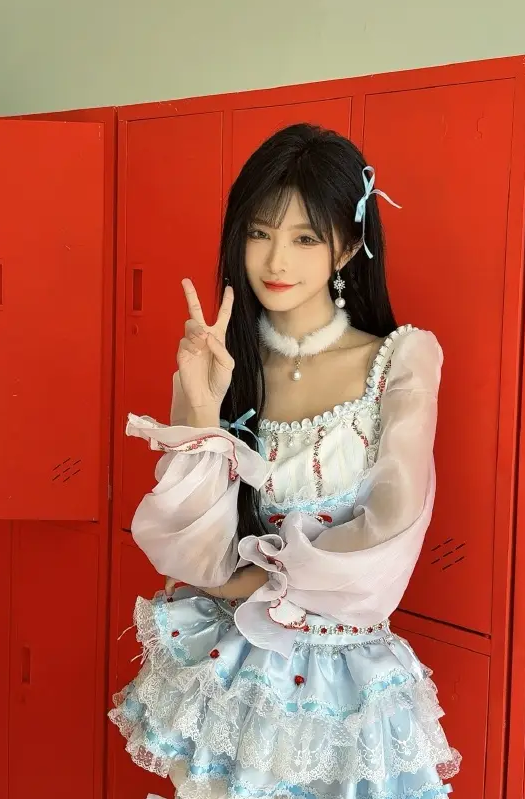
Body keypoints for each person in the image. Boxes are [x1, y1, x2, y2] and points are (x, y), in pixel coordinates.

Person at [109, 123, 461, 799]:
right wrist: (203, 405)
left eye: (304, 238)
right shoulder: (223, 362)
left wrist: (254, 583)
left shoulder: (401, 359)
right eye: (259, 232)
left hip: (342, 679)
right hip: (228, 668)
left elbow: (391, 530)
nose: (276, 259)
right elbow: (191, 550)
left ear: (348, 245)